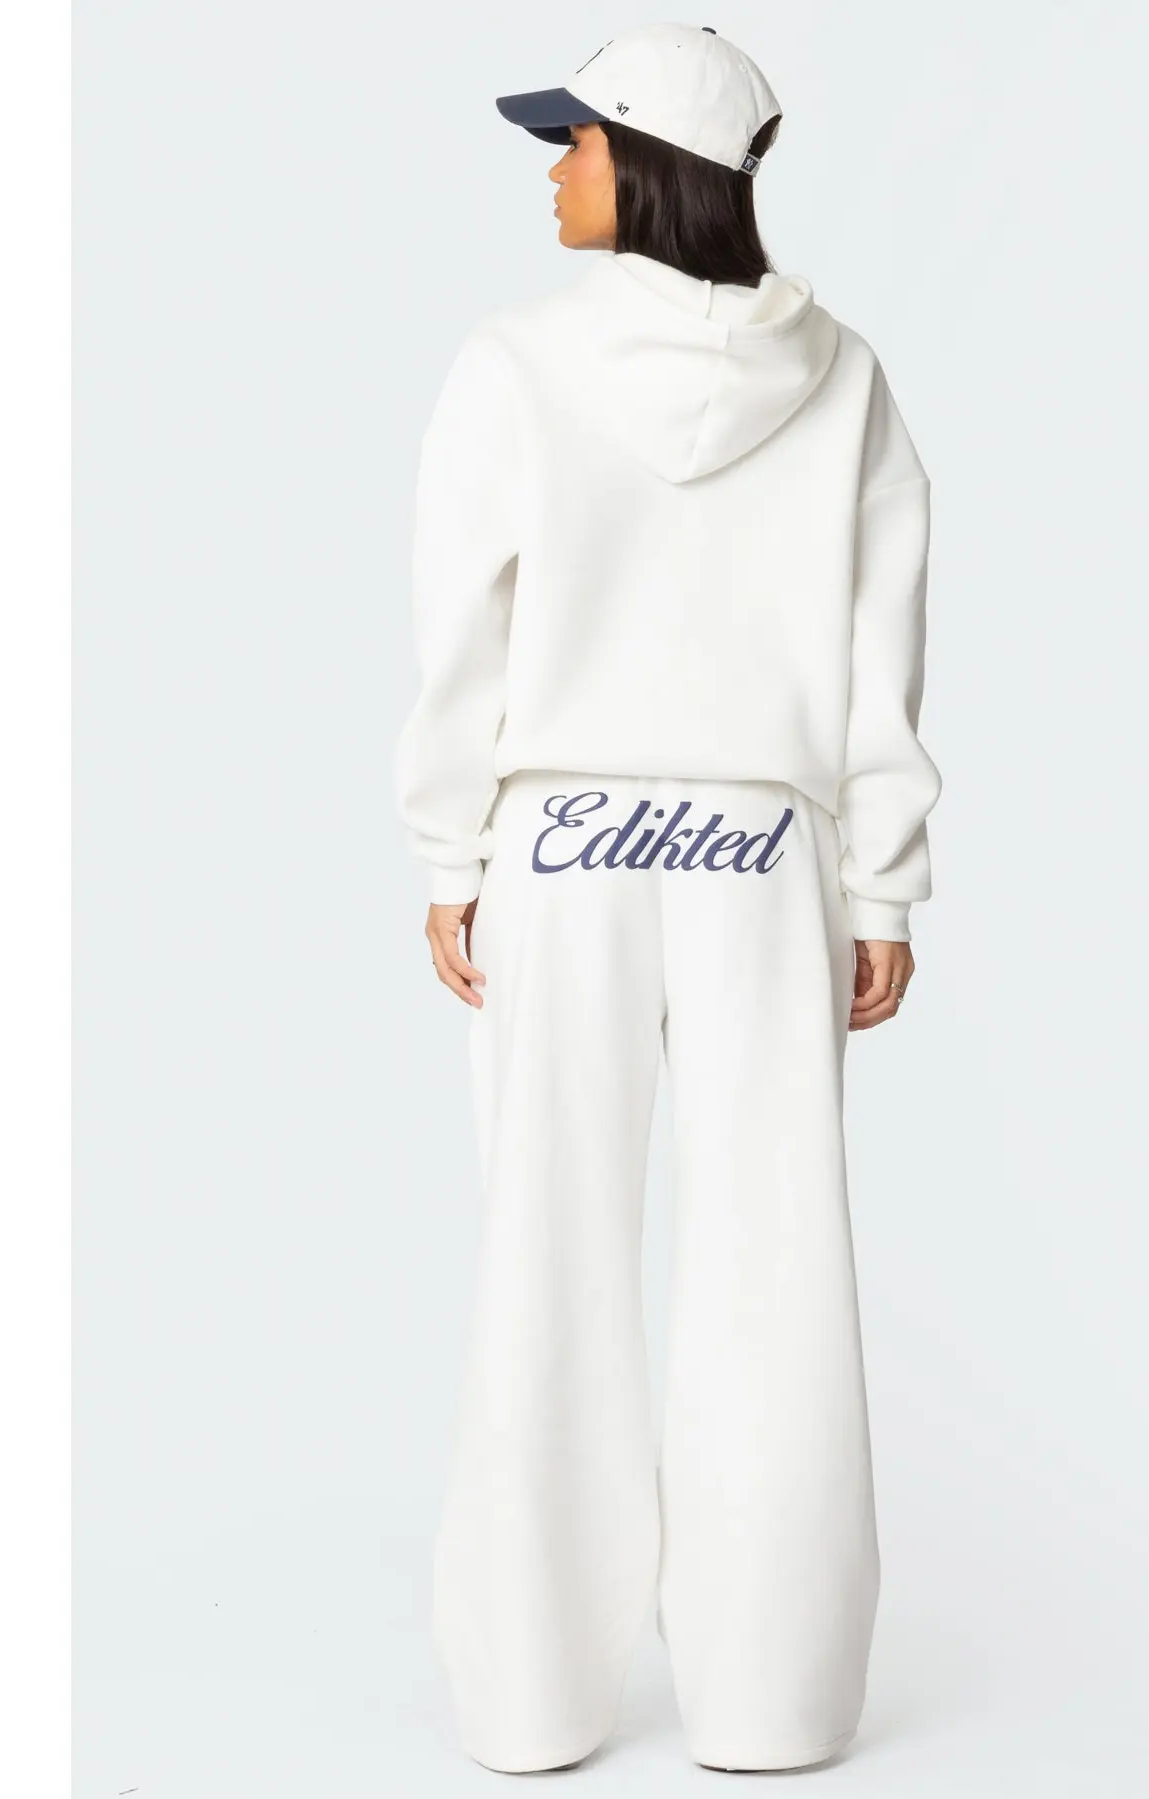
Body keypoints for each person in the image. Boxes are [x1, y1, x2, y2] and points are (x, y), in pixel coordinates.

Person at [393, 21, 942, 1776]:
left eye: (569, 141)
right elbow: (878, 649)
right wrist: (877, 884)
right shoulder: (843, 378)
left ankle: (530, 1697)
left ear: (640, 160)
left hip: (563, 842)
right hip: (762, 855)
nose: (549, 169)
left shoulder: (514, 364)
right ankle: (775, 1700)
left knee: (545, 1253)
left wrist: (451, 852)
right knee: (775, 1262)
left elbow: (460, 638)